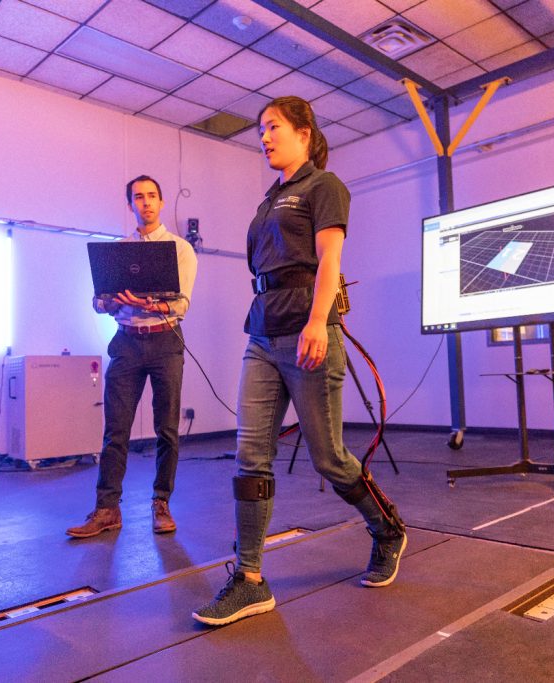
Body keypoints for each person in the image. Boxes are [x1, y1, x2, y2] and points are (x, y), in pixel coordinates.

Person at [192, 97, 406, 627]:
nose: (263, 137)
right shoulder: (269, 201)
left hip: (308, 330)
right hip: (262, 333)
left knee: (329, 457)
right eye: (260, 130)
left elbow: (330, 258)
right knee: (250, 455)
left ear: (304, 133)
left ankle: (387, 530)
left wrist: (317, 321)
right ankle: (248, 580)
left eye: (273, 128)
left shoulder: (322, 187)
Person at [67, 175, 198, 538]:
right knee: (115, 431)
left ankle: (161, 503)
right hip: (126, 341)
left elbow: (181, 303)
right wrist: (109, 302)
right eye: (138, 197)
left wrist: (148, 303)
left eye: (152, 196)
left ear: (162, 201)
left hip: (165, 341)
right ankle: (107, 509)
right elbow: (98, 301)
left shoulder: (179, 249)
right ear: (130, 205)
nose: (146, 203)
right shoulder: (119, 251)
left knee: (167, 429)